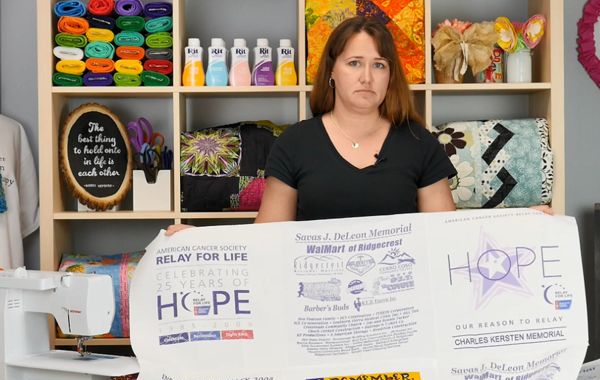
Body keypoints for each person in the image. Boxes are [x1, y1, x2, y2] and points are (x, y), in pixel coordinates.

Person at [166, 17, 550, 236]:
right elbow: (266, 241)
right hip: (315, 314)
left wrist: (518, 224)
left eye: (379, 65)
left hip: (401, 314)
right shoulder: (295, 142)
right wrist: (202, 243)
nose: (366, 76)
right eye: (354, 63)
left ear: (389, 76)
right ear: (332, 70)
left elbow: (446, 238)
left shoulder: (420, 143)